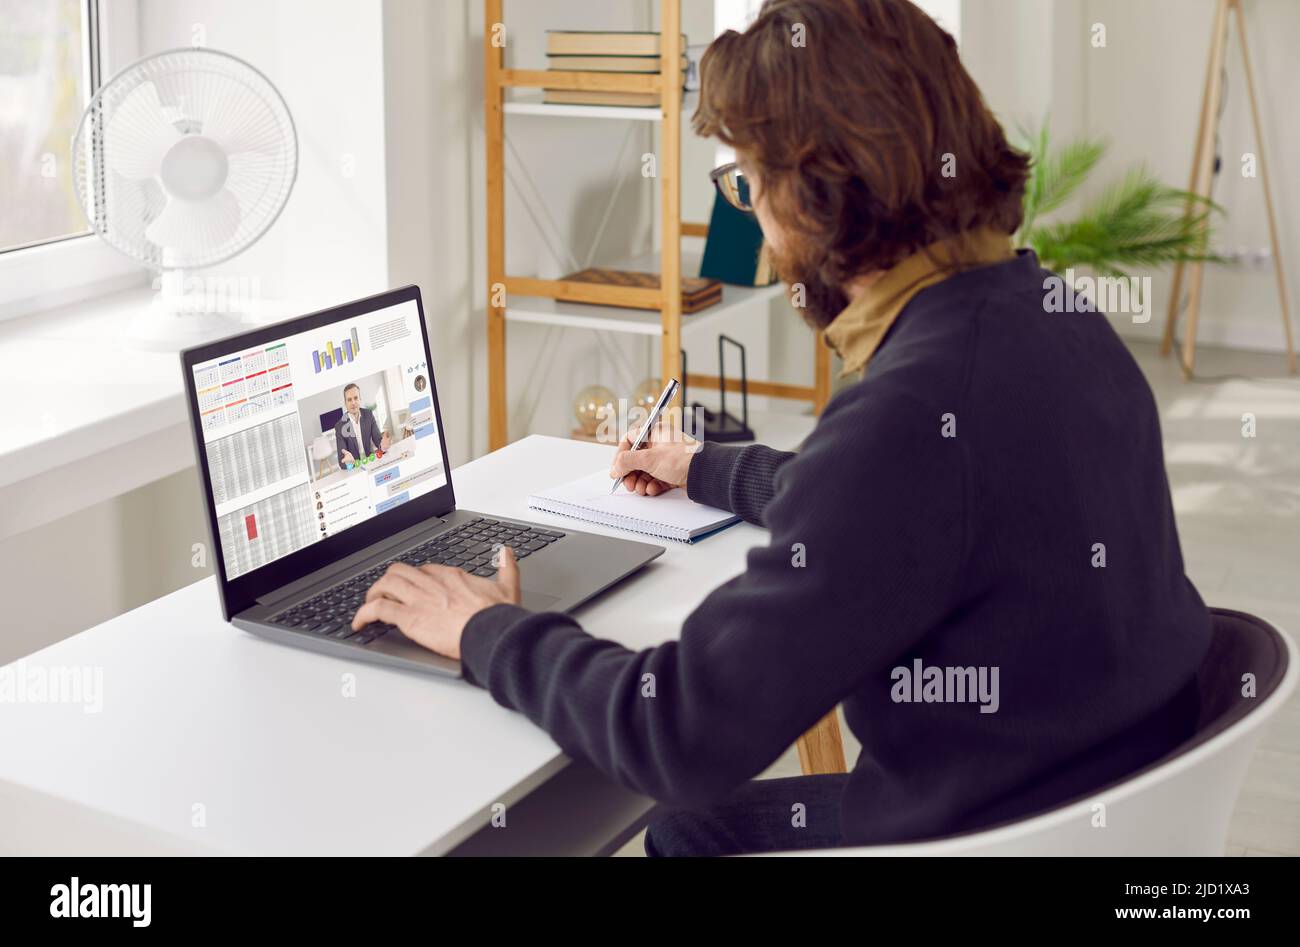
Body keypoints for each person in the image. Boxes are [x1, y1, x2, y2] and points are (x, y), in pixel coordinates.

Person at [352, 0, 1210, 855]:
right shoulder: (1057, 316)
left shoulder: (907, 412)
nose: (756, 232)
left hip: (979, 832)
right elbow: (912, 507)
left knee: (679, 829)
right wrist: (705, 467)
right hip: (1092, 802)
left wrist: (484, 629)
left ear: (818, 190)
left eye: (747, 187)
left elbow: (678, 734)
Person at [335, 382, 390, 469]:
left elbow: (378, 440)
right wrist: (348, 463)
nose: (353, 402)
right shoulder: (339, 426)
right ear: (345, 403)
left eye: (356, 398)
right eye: (349, 400)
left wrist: (383, 447)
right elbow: (342, 461)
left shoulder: (368, 415)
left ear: (360, 399)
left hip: (371, 462)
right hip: (355, 468)